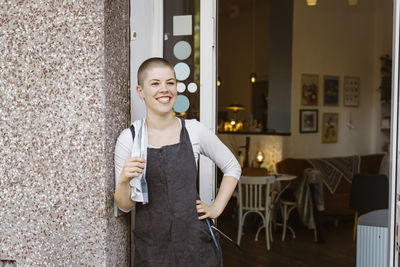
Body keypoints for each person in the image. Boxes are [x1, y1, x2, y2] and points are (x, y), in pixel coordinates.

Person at [114, 57, 241, 266]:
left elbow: (232, 166)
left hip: (196, 246)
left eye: (170, 82)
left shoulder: (194, 130)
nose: (164, 89)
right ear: (140, 91)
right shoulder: (129, 138)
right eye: (155, 83)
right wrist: (124, 181)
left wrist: (216, 208)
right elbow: (125, 205)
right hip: (152, 250)